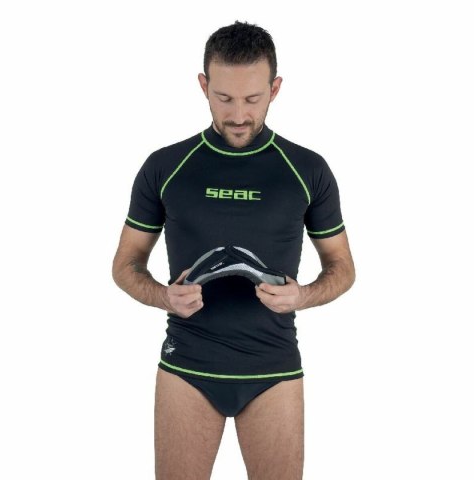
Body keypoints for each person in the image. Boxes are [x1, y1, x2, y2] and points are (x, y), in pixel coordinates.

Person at [112, 20, 355, 480]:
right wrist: (163, 296)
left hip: (273, 368)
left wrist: (302, 295)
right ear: (203, 86)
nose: (239, 114)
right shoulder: (166, 166)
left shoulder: (307, 169)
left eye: (252, 99)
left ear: (275, 89)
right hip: (187, 365)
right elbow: (125, 265)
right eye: (224, 98)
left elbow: (342, 267)